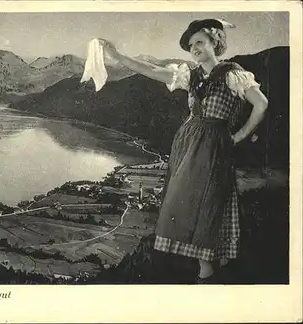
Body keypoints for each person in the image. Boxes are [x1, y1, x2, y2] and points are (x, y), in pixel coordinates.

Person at [99, 18, 268, 283]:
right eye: (191, 45)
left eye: (200, 42)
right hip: (187, 144)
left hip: (214, 144)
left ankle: (209, 272)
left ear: (216, 42)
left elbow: (261, 104)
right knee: (186, 202)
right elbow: (153, 70)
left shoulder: (234, 74)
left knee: (210, 201)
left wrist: (238, 137)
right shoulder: (192, 75)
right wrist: (118, 55)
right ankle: (204, 270)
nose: (194, 49)